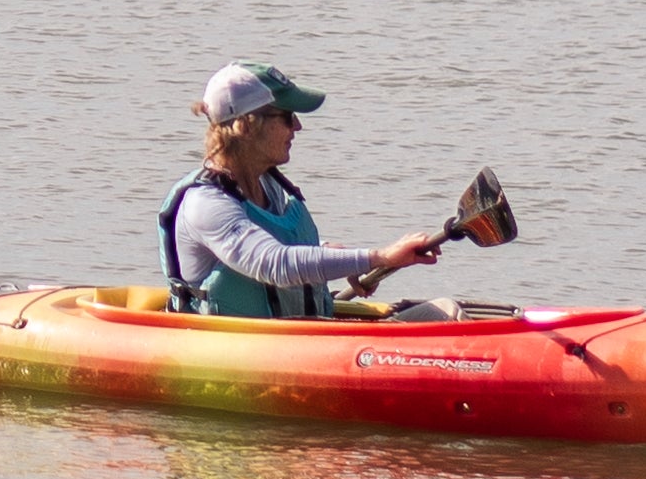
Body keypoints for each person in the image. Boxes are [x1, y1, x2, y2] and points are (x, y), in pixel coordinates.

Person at [158, 62, 449, 314]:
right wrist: (379, 256)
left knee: (445, 311)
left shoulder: (269, 187)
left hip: (293, 337)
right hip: (230, 345)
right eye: (286, 116)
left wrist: (337, 259)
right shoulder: (205, 204)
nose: (297, 126)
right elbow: (274, 263)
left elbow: (273, 243)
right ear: (244, 126)